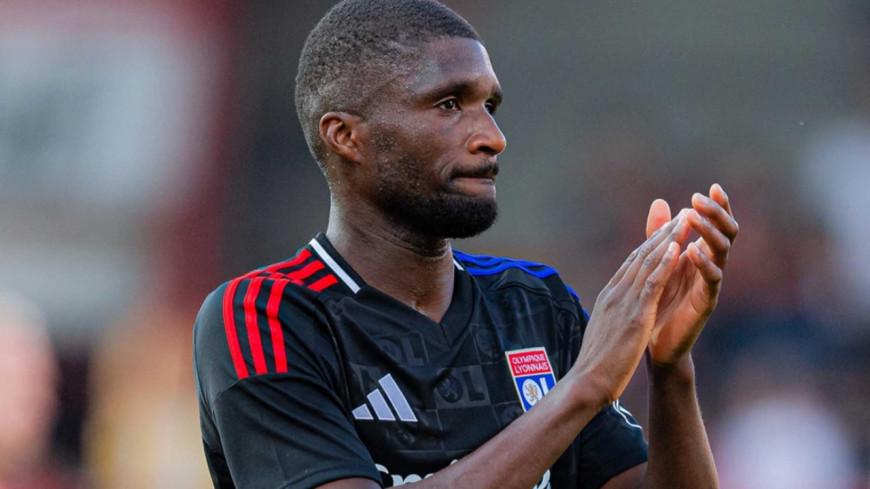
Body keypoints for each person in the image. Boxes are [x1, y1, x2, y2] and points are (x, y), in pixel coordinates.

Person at [193, 1, 738, 488]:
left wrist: (671, 368)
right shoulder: (267, 317)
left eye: (489, 106)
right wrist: (583, 387)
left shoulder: (535, 305)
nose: (492, 138)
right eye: (449, 104)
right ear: (346, 136)